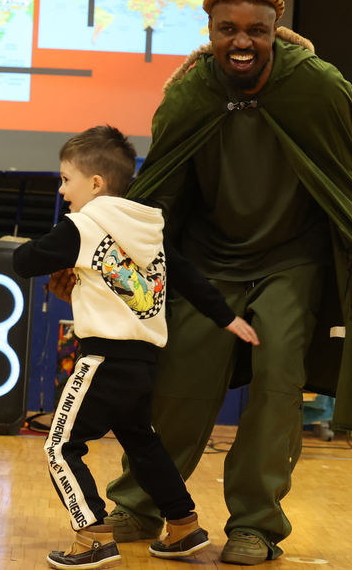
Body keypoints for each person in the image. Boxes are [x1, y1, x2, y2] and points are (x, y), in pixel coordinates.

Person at [52, 0, 352, 565]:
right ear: (210, 32)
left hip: (291, 258)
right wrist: (96, 252)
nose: (241, 42)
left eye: (255, 31)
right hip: (209, 256)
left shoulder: (320, 89)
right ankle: (142, 503)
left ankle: (255, 523)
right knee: (179, 380)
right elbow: (160, 191)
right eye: (228, 30)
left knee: (278, 381)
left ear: (276, 32)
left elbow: (349, 188)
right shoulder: (190, 93)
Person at [13, 125, 260, 570]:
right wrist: (227, 317)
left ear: (95, 183)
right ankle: (183, 526)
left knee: (60, 447)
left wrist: (64, 254)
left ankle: (92, 536)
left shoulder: (81, 226)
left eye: (66, 179)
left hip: (102, 358)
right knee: (143, 445)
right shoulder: (150, 229)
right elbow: (190, 279)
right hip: (144, 363)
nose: (62, 189)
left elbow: (24, 261)